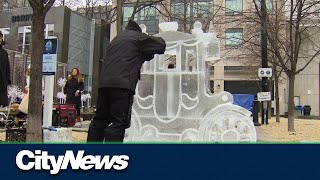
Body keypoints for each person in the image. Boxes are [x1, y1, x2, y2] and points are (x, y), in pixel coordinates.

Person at [87, 20, 166, 142]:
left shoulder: (117, 39)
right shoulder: (137, 36)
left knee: (100, 120)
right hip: (122, 86)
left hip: (104, 85)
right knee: (118, 123)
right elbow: (161, 45)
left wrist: (144, 54)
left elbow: (128, 57)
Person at [0, 31, 11, 107]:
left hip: (2, 84)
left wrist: (7, 80)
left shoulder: (4, 53)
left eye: (0, 37)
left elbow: (7, 68)